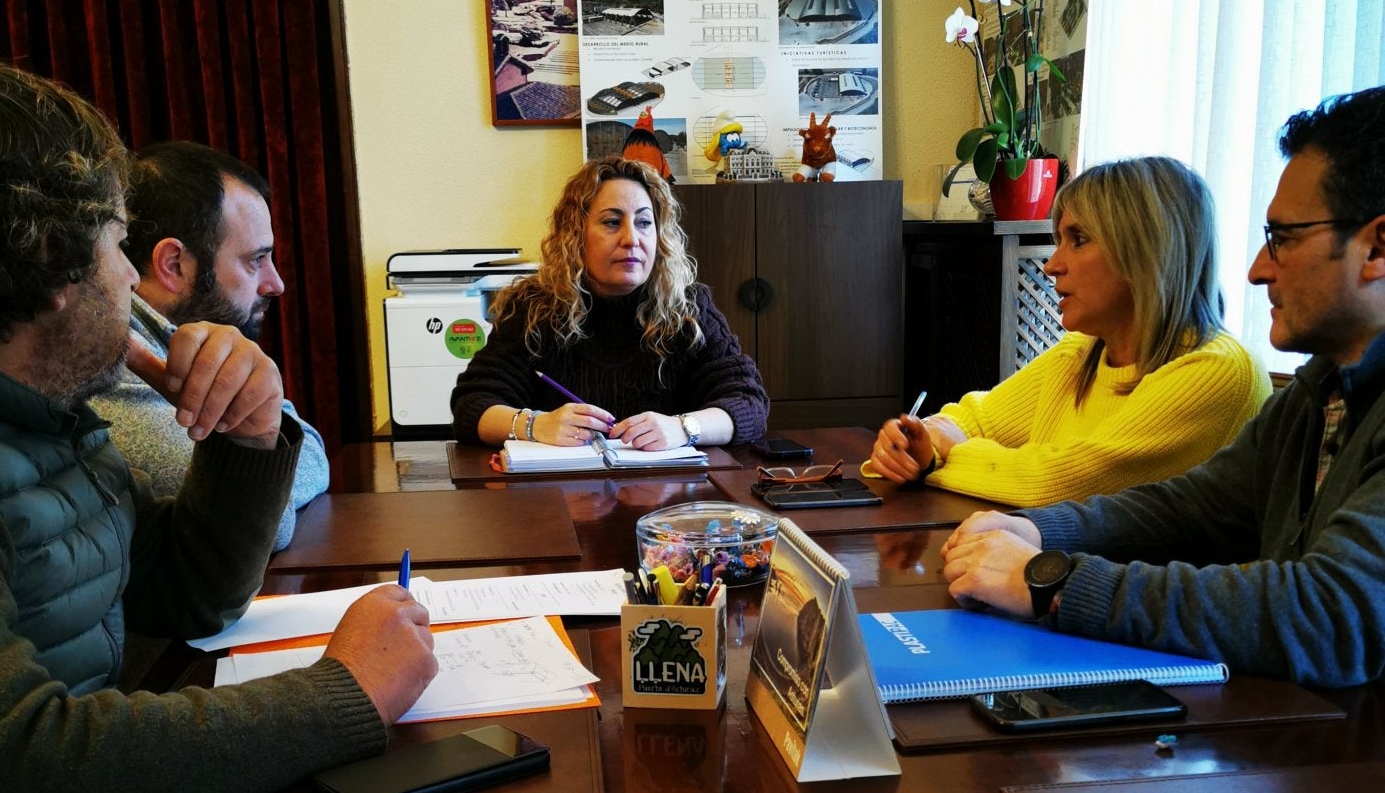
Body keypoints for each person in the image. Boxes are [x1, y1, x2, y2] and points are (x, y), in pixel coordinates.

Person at [0, 61, 437, 793]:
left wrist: (249, 437)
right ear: (50, 258)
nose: (129, 277)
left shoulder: (60, 423)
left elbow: (188, 590)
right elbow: (27, 759)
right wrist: (344, 694)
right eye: (113, 244)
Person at [939, 85, 1385, 688]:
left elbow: (1330, 613)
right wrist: (1044, 532)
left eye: (1284, 237)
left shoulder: (1225, 370)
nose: (1257, 268)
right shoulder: (1322, 392)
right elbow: (1195, 507)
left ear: (1376, 247)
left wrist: (1053, 579)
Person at [866, 156, 1271, 507]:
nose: (1051, 265)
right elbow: (976, 419)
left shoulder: (1217, 372)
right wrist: (921, 440)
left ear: (1147, 252)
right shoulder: (1082, 351)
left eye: (1077, 240)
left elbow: (1054, 484)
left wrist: (941, 457)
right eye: (1058, 240)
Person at [90, 141, 329, 550]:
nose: (276, 284)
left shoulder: (183, 339)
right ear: (174, 264)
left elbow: (310, 448)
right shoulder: (113, 358)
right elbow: (265, 521)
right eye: (256, 260)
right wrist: (265, 451)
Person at [451, 156, 768, 449]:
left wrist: (683, 428)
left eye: (644, 223)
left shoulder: (688, 307)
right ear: (576, 235)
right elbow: (472, 404)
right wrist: (534, 424)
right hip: (557, 499)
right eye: (612, 222)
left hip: (667, 499)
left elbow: (749, 404)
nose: (632, 239)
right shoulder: (534, 307)